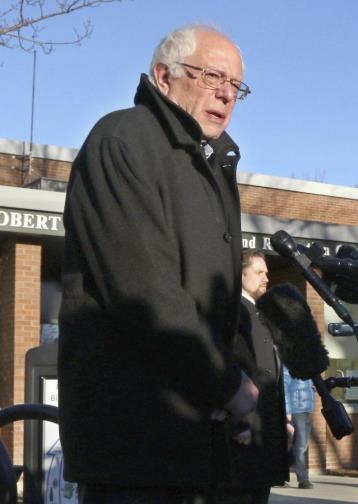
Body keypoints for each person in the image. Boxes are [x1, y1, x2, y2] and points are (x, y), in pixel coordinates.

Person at [58, 25, 258, 502]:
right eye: (212, 76)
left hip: (197, 444)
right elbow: (145, 290)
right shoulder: (122, 140)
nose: (227, 93)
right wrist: (227, 386)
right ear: (163, 76)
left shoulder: (208, 165)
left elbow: (219, 303)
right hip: (137, 445)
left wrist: (240, 398)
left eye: (237, 85)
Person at [221, 249, 289, 503]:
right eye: (259, 272)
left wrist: (285, 422)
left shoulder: (259, 312)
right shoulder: (234, 312)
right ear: (241, 274)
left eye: (267, 273)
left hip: (265, 431)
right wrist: (240, 421)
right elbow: (234, 365)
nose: (266, 278)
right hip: (245, 433)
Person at [284, 368, 315, 490]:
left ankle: (285, 477)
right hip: (296, 410)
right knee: (298, 446)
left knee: (301, 445)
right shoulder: (289, 367)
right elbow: (285, 388)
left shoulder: (306, 366)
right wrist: (287, 411)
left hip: (306, 409)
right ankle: (302, 480)